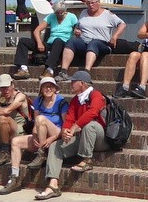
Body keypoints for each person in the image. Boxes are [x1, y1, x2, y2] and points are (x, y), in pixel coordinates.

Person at [36, 71, 109, 200]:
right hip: (82, 138)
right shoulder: (76, 100)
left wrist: (75, 127)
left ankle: (86, 160)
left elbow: (92, 112)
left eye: (73, 81)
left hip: (100, 138)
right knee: (55, 146)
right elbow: (69, 118)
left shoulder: (96, 95)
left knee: (89, 125)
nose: (71, 83)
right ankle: (53, 185)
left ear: (82, 83)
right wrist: (65, 130)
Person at [0, 77, 68, 195]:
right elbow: (35, 124)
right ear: (41, 89)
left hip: (56, 134)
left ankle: (41, 153)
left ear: (55, 88)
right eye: (45, 86)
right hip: (42, 137)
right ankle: (14, 178)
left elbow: (66, 127)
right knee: (15, 141)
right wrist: (35, 135)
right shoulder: (38, 101)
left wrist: (52, 138)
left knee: (42, 118)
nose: (48, 89)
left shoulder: (61, 102)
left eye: (51, 86)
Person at [55, 0, 127, 81]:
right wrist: (77, 31)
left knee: (94, 43)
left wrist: (115, 36)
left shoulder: (108, 14)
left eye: (92, 3)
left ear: (98, 3)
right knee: (71, 41)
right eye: (88, 3)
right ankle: (63, 72)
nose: (90, 5)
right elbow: (78, 26)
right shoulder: (84, 13)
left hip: (101, 43)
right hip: (84, 41)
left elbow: (122, 24)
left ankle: (86, 73)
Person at [12, 1, 78, 80]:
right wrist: (39, 43)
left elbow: (77, 29)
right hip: (51, 43)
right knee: (23, 41)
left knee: (58, 40)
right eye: (57, 13)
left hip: (64, 44)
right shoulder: (51, 16)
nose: (59, 15)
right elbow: (37, 30)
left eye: (62, 13)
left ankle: (49, 70)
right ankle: (23, 68)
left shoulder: (72, 17)